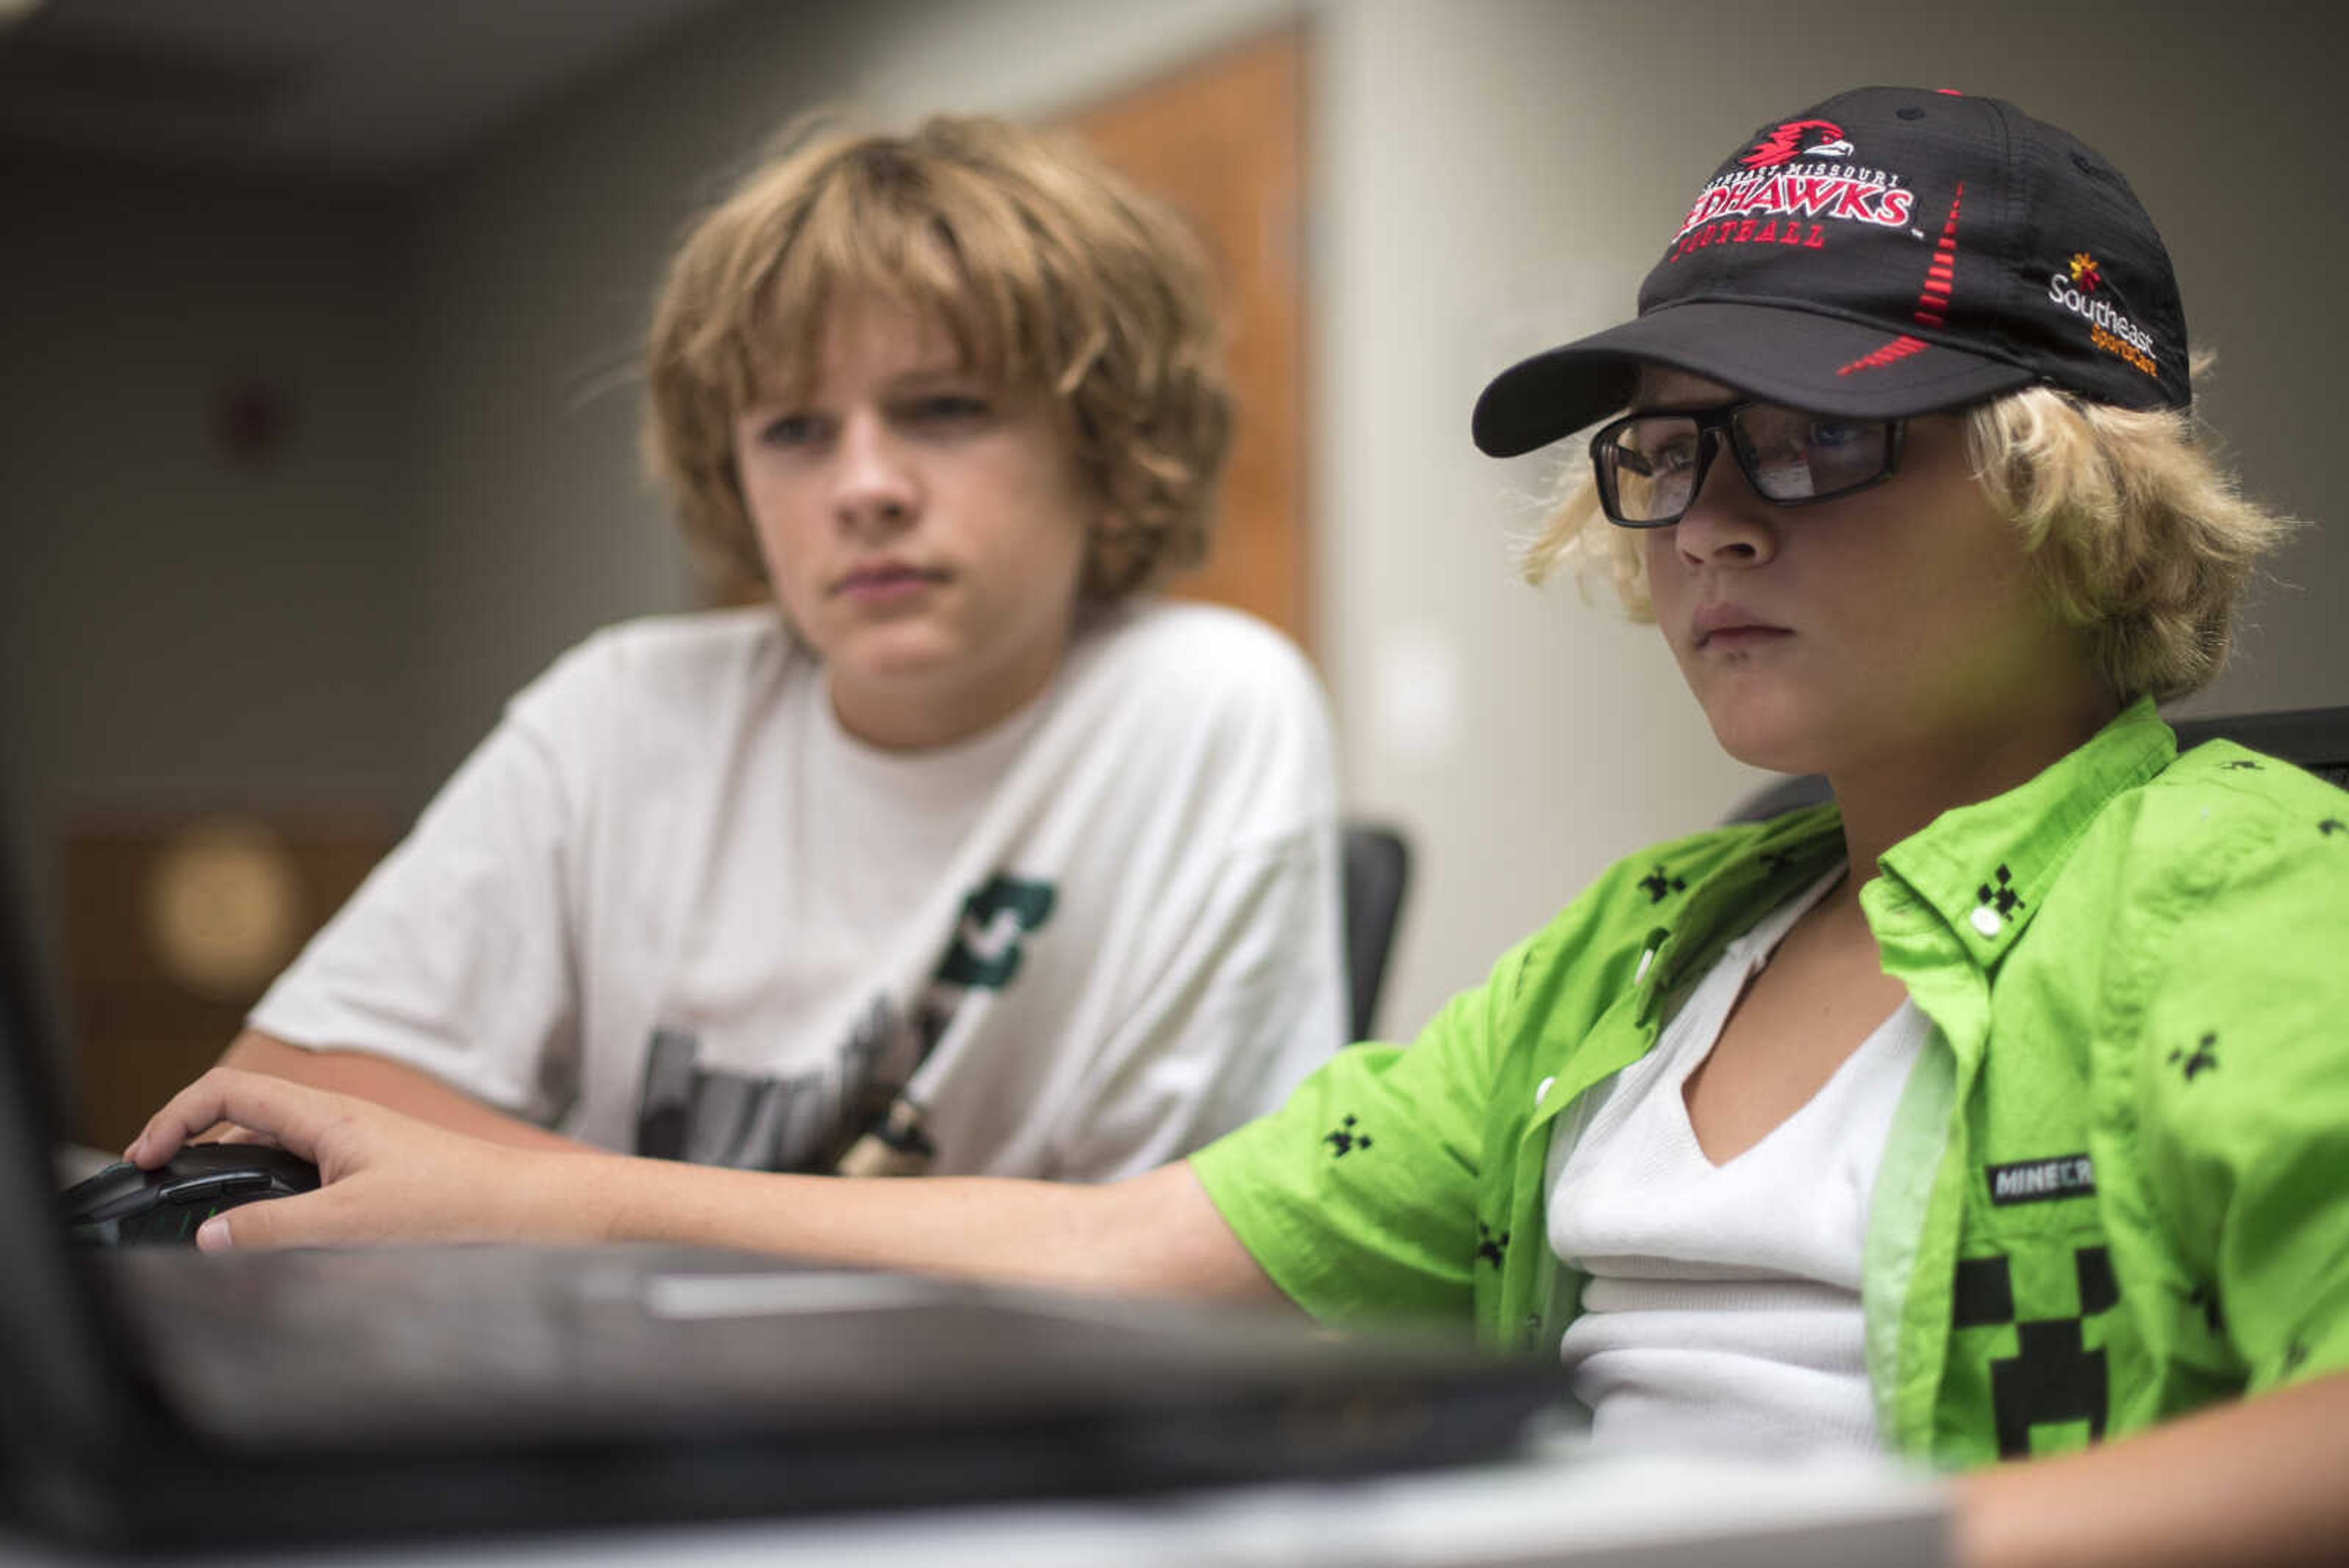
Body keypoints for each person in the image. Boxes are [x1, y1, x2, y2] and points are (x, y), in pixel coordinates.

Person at [136, 87, 2348, 1568]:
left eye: (1817, 446)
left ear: (2079, 483)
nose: (1710, 526)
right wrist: (522, 1200)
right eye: (1672, 456)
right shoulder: (1647, 954)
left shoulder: (2240, 892)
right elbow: (1128, 1248)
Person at [207, 113, 1350, 1181]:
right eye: (795, 431)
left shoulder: (1202, 703)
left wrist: (546, 1202)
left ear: (1103, 446)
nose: (864, 489)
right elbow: (274, 1097)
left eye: (945, 407)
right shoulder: (621, 710)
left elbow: (1187, 1255)